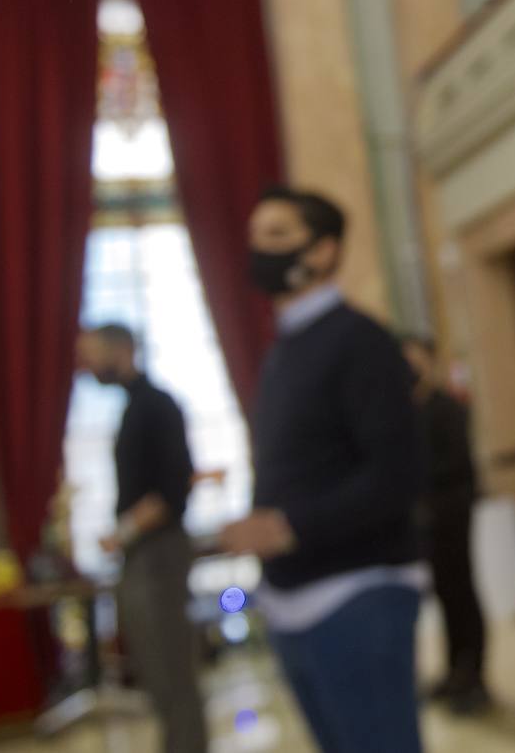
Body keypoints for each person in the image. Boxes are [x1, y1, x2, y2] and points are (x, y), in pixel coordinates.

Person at [222, 187, 426, 753]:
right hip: (293, 595)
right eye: (255, 236)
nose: (260, 248)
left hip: (358, 592)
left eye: (279, 235)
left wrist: (288, 526)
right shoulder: (285, 348)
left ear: (323, 251)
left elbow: (397, 475)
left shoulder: (360, 340)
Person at [76, 324, 206, 753]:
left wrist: (124, 532)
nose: (87, 364)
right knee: (155, 669)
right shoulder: (133, 407)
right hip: (141, 554)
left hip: (159, 553)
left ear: (122, 350)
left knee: (173, 668)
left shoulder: (157, 405)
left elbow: (171, 489)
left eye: (93, 353)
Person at [401, 336, 490, 715]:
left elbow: (458, 467)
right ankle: (454, 670)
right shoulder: (405, 413)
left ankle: (474, 677)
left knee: (461, 593)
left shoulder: (446, 409)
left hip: (451, 514)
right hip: (424, 520)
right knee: (443, 595)